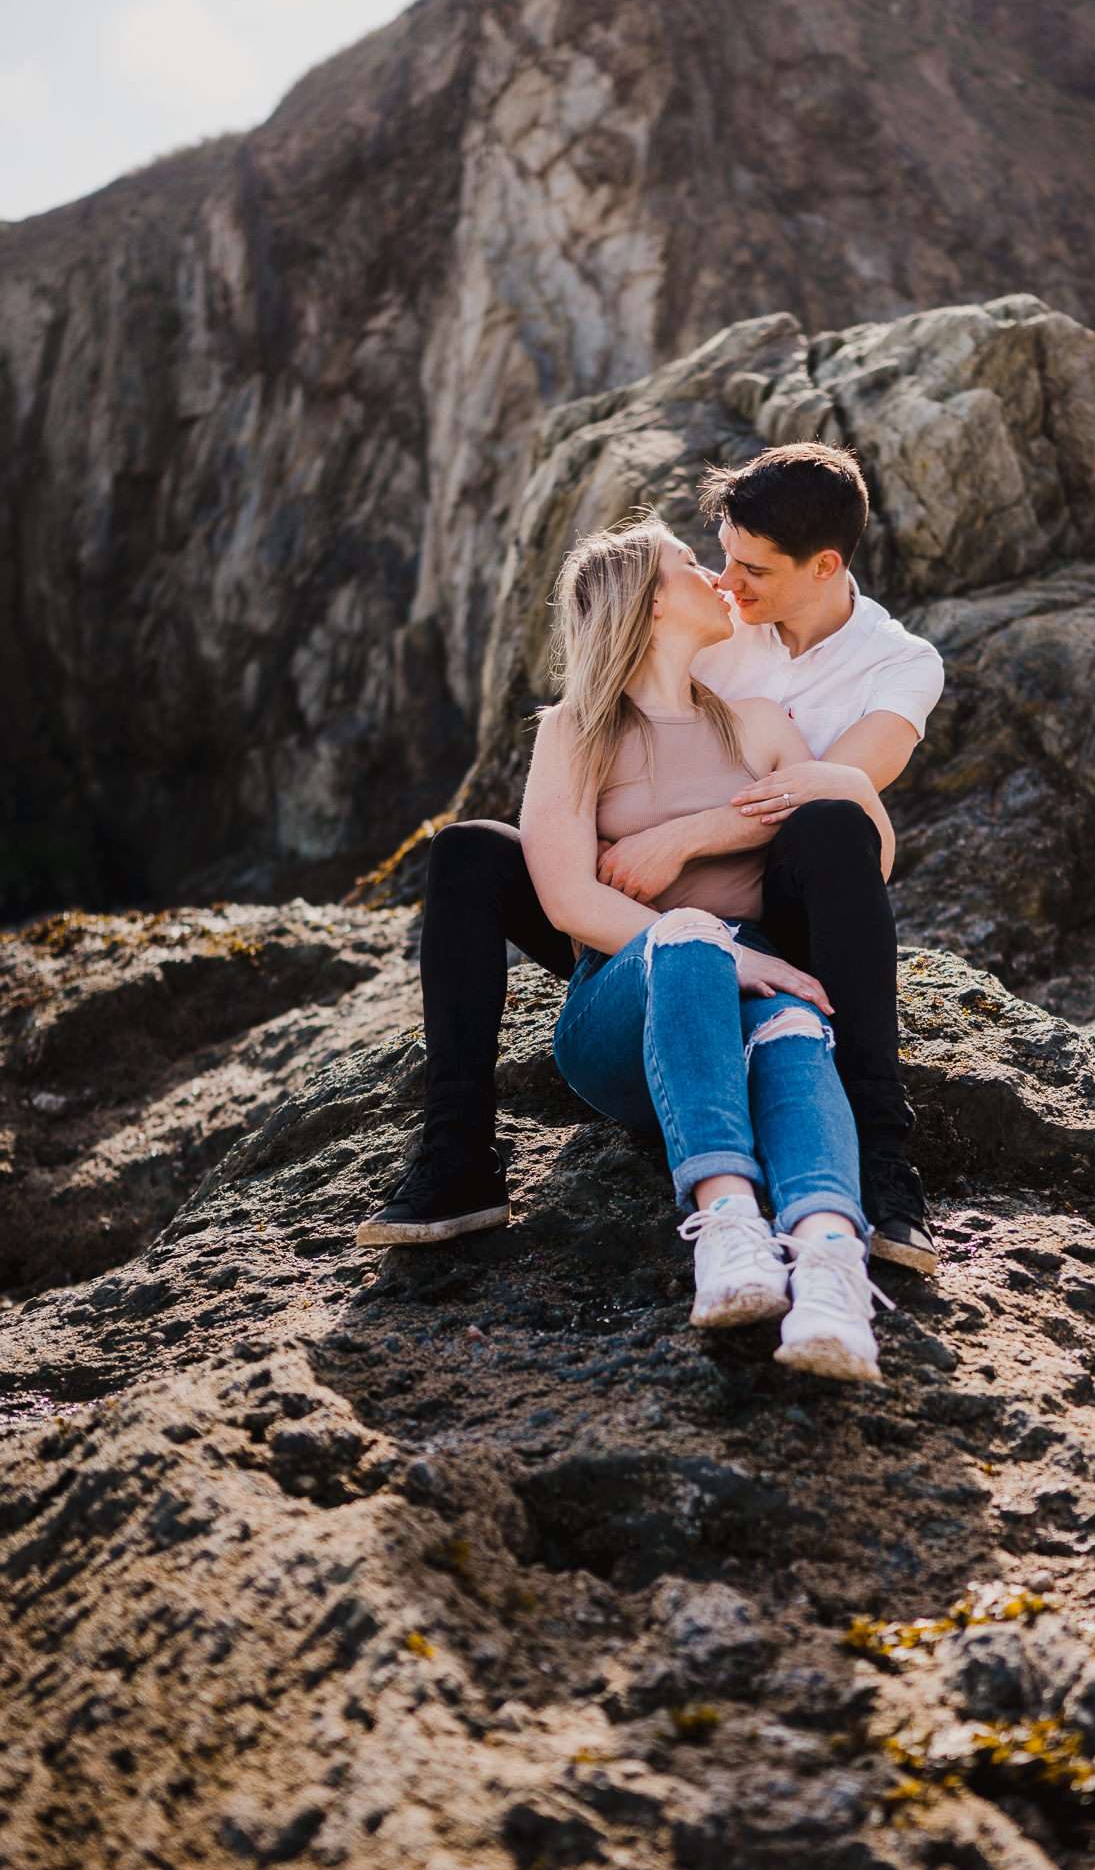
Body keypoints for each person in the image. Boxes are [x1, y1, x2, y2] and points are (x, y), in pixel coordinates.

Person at [356, 442, 945, 1266]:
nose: (727, 585)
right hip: (635, 920)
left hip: (781, 906)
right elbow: (620, 674)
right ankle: (455, 1156)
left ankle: (882, 1156)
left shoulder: (899, 666)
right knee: (469, 853)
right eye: (714, 562)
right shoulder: (709, 628)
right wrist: (607, 847)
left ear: (823, 567)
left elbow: (843, 800)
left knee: (832, 822)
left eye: (750, 572)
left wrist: (680, 838)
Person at [521, 511, 897, 1382]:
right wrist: (727, 952)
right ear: (652, 606)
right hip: (623, 1005)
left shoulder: (756, 724)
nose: (718, 578)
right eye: (691, 565)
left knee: (798, 1030)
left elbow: (859, 860)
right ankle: (727, 1229)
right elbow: (565, 898)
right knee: (696, 941)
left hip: (754, 983)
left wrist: (842, 783)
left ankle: (831, 1270)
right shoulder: (574, 729)